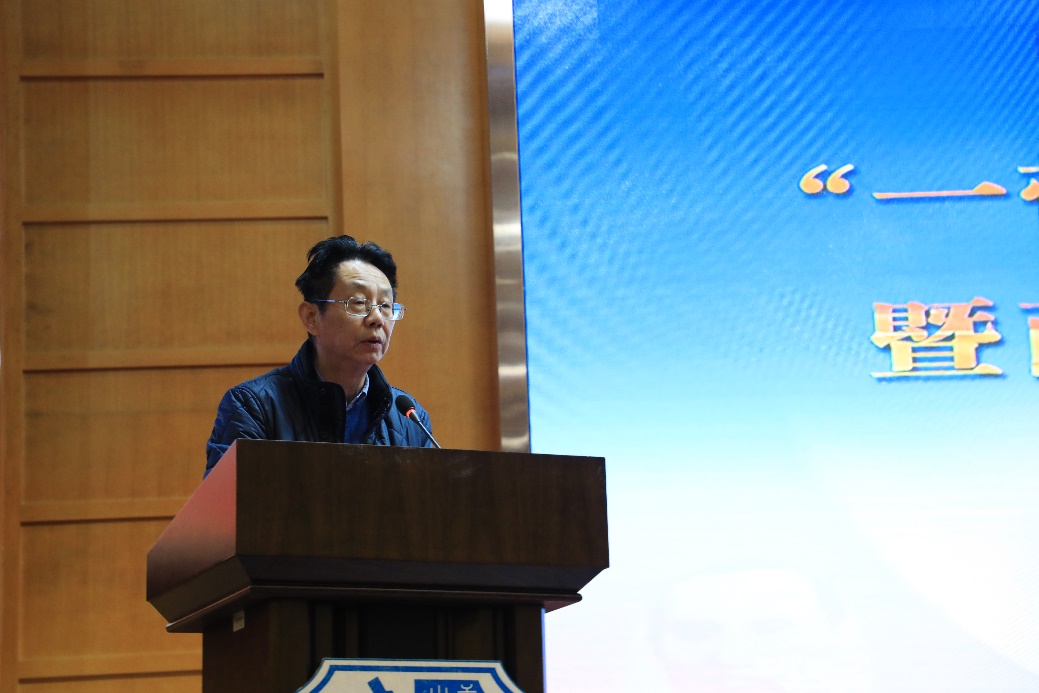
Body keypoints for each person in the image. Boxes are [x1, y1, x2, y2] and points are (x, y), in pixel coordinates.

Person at [204, 235, 433, 477]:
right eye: (358, 302)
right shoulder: (253, 407)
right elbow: (228, 501)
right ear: (312, 317)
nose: (377, 319)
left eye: (385, 306)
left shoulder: (409, 418)